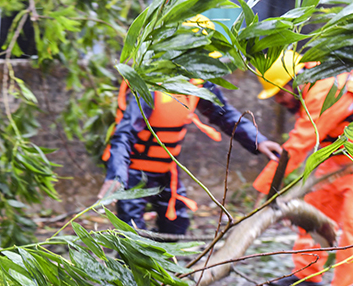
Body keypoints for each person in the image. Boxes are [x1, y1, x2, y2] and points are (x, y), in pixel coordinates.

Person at [97, 19, 283, 236]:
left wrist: (257, 140)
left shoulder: (198, 83)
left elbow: (224, 114)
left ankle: (165, 267)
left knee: (177, 226)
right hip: (134, 172)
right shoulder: (149, 85)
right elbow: (124, 134)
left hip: (167, 170)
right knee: (132, 234)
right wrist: (117, 177)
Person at [252, 51, 353, 286]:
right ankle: (307, 274)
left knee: (351, 229)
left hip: (349, 159)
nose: (280, 101)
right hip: (336, 157)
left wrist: (266, 190)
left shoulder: (323, 89)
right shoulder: (314, 83)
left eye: (279, 93)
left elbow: (299, 144)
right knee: (315, 213)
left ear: (294, 81)